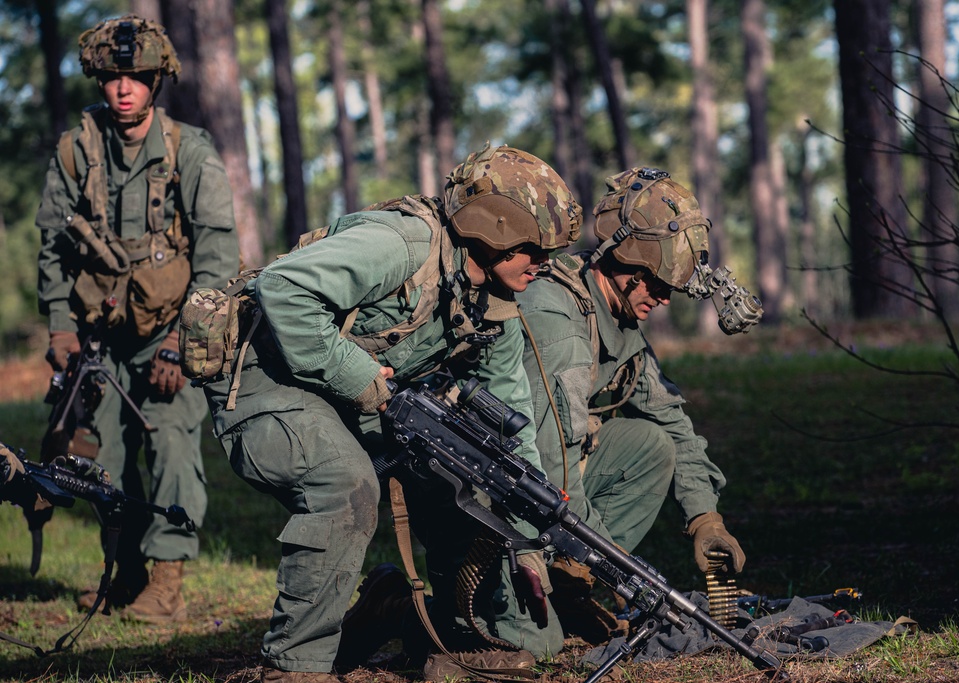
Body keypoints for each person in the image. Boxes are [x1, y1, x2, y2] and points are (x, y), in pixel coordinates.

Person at [195, 144, 581, 683]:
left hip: (347, 391)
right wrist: (361, 379)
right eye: (534, 249)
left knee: (459, 476)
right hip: (264, 376)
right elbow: (282, 289)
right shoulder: (402, 244)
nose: (545, 264)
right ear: (493, 229)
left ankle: (444, 631)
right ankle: (295, 667)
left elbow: (511, 418)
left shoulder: (493, 306)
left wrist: (528, 536)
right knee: (345, 481)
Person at [493, 167, 758, 655]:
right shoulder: (561, 325)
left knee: (651, 445)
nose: (661, 300)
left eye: (668, 290)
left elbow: (672, 423)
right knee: (536, 649)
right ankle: (402, 605)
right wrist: (609, 561)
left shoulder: (616, 318)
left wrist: (705, 517)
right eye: (654, 285)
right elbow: (550, 464)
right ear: (624, 264)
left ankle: (567, 582)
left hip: (544, 483)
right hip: (494, 492)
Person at [34, 14, 239, 623]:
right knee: (102, 457)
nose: (124, 88)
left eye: (137, 76)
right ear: (99, 80)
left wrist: (184, 340)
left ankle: (168, 582)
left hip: (170, 332)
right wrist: (59, 328)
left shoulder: (190, 151)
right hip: (99, 337)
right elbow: (51, 245)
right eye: (113, 77)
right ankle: (123, 573)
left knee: (171, 441)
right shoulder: (77, 150)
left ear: (156, 80)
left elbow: (218, 257)